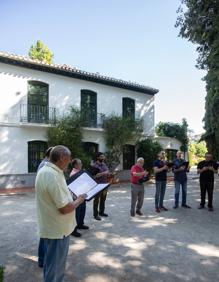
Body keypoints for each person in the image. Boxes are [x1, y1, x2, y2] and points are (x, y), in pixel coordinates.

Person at [35, 145, 86, 282]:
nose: (70, 162)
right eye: (69, 159)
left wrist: (71, 196)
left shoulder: (49, 170)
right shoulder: (52, 174)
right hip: (57, 230)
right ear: (62, 157)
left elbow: (57, 197)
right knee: (55, 268)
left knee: (51, 264)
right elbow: (64, 208)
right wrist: (79, 200)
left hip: (54, 228)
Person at [37, 146, 53, 268]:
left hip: (44, 203)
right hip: (47, 204)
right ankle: (42, 259)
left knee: (45, 234)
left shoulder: (44, 165)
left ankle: (42, 259)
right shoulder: (46, 167)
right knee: (46, 234)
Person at [70, 158, 89, 237]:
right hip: (76, 196)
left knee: (82, 210)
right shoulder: (74, 173)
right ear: (75, 165)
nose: (81, 165)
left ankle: (80, 224)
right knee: (76, 213)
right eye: (80, 163)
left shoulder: (80, 172)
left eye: (81, 163)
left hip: (82, 194)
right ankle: (73, 230)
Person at [92, 152, 109, 220]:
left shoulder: (104, 164)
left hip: (104, 185)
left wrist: (110, 174)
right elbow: (95, 176)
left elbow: (107, 172)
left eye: (103, 156)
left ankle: (101, 212)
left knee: (103, 199)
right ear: (98, 157)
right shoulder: (94, 166)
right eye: (101, 156)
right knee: (96, 200)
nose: (103, 158)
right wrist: (104, 173)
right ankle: (95, 214)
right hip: (97, 185)